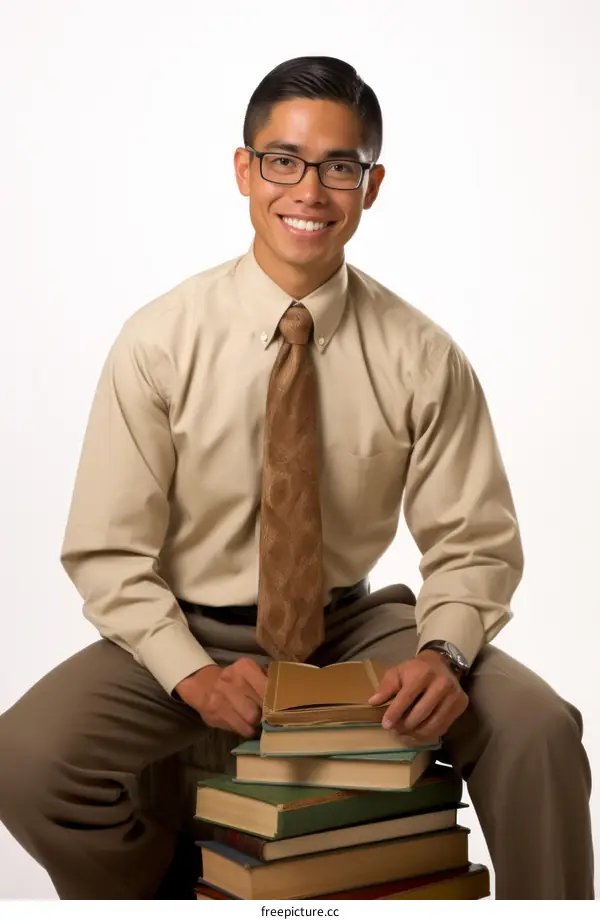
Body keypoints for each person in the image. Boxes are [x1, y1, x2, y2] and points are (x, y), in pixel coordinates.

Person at [0, 55, 594, 901]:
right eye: (284, 160)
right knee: (24, 759)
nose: (309, 190)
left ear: (371, 184)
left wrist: (444, 649)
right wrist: (191, 672)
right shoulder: (159, 342)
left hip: (352, 629)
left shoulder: (423, 356)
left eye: (339, 166)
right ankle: (174, 898)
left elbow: (475, 542)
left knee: (536, 725)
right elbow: (108, 556)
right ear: (244, 170)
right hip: (191, 631)